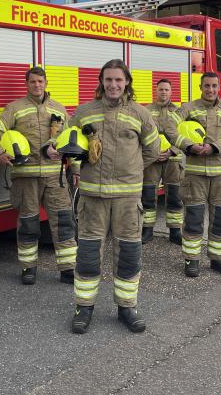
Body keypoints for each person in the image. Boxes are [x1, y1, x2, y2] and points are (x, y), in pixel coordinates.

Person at [49, 59, 159, 335]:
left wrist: (130, 170)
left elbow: (152, 151)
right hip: (93, 198)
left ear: (127, 83)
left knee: (129, 255)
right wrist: (59, 153)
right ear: (101, 82)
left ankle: (127, 307)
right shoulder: (85, 112)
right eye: (108, 80)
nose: (113, 85)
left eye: (118, 80)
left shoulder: (141, 114)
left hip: (126, 199)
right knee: (87, 255)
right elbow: (67, 141)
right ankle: (83, 308)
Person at [0, 66, 77, 285]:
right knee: (28, 224)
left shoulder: (59, 109)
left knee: (64, 223)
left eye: (40, 81)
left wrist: (76, 170)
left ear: (46, 83)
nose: (37, 85)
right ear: (27, 84)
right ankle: (28, 268)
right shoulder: (14, 109)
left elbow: (71, 140)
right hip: (26, 179)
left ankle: (68, 269)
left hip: (56, 178)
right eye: (33, 81)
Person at [174, 73, 221, 278]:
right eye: (206, 86)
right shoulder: (188, 108)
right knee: (194, 219)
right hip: (195, 175)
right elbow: (169, 127)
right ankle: (191, 260)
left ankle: (218, 259)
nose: (210, 89)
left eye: (214, 86)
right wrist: (188, 146)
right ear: (200, 86)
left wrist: (215, 147)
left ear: (219, 87)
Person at [141, 78, 184, 246]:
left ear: (171, 92)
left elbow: (185, 134)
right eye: (161, 89)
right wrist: (153, 153)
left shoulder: (179, 111)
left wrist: (172, 150)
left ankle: (175, 231)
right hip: (152, 160)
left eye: (166, 89)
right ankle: (147, 230)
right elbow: (142, 134)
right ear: (156, 91)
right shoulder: (146, 111)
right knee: (148, 196)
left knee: (174, 195)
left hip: (172, 159)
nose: (164, 92)